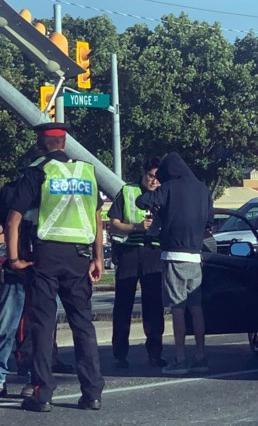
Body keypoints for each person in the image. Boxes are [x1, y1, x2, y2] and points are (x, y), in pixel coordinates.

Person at [5, 121, 106, 412]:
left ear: (41, 144)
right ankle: (92, 394)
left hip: (46, 257)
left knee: (43, 327)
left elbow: (13, 219)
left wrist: (13, 260)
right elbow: (97, 219)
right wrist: (97, 258)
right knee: (83, 325)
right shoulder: (87, 172)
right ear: (63, 143)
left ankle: (42, 393)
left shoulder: (37, 172)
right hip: (79, 257)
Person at [0, 151, 75, 401]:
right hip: (33, 266)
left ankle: (28, 378)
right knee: (13, 326)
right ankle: (1, 378)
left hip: (38, 266)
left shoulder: (48, 190)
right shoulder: (18, 190)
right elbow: (4, 224)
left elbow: (4, 224)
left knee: (30, 328)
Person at [136, 152, 214, 376]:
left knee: (177, 309)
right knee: (196, 309)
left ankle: (180, 358)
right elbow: (209, 221)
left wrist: (156, 194)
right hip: (195, 256)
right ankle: (201, 356)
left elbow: (142, 201)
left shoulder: (169, 187)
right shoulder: (202, 188)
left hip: (173, 256)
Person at [107, 157, 166, 369]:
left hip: (153, 253)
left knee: (154, 305)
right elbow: (113, 224)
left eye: (158, 178)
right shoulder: (127, 192)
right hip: (129, 252)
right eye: (151, 176)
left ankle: (155, 353)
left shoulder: (164, 194)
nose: (153, 182)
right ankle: (120, 354)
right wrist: (137, 227)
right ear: (143, 173)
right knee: (123, 305)